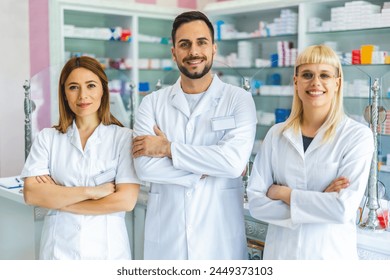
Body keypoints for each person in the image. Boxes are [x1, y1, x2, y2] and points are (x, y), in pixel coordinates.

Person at [132, 11, 257, 260]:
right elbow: (144, 168)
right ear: (174, 52)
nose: (193, 52)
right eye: (184, 44)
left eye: (201, 42)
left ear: (213, 49)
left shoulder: (239, 99)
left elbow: (232, 163)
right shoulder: (152, 104)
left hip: (219, 243)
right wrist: (205, 168)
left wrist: (168, 149)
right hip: (168, 243)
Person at [247, 45, 374, 259]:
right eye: (307, 75)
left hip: (328, 257)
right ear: (296, 82)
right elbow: (257, 204)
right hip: (281, 255)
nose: (315, 82)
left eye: (325, 75)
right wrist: (320, 201)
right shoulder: (276, 134)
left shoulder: (357, 136)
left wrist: (285, 194)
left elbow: (342, 209)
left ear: (337, 83)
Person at [21, 56, 140, 260]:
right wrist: (92, 192)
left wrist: (59, 199)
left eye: (91, 85)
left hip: (108, 252)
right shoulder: (48, 139)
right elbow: (32, 194)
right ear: (64, 94)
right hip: (58, 251)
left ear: (103, 89)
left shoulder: (123, 138)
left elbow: (126, 201)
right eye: (73, 87)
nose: (83, 95)